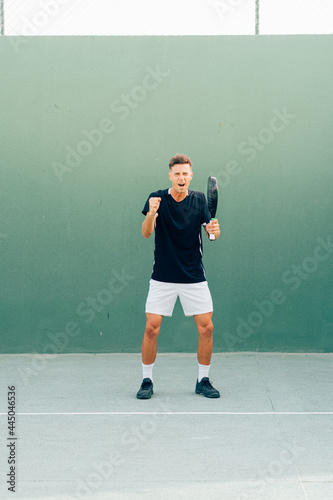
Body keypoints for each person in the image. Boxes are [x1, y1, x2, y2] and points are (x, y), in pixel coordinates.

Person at [136, 153, 221, 399]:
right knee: (151, 328)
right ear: (170, 176)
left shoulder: (200, 200)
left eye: (185, 173)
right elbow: (145, 233)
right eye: (177, 174)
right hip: (162, 276)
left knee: (206, 328)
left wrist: (214, 231)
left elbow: (210, 234)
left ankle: (202, 380)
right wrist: (151, 213)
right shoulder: (157, 199)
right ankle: (146, 380)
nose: (181, 178)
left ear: (190, 176)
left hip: (194, 275)